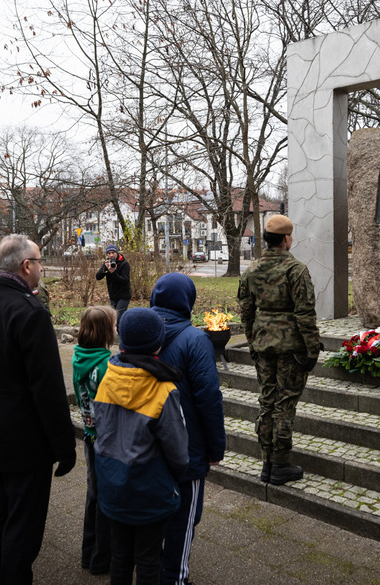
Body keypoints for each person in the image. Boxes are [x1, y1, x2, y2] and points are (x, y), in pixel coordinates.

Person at [0, 233, 76, 584]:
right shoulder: (31, 313)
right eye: (40, 262)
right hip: (25, 444)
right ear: (27, 266)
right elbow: (48, 391)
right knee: (22, 529)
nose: (41, 268)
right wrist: (65, 447)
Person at [93, 308, 188, 585]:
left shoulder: (107, 377)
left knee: (120, 556)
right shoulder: (164, 389)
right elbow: (178, 451)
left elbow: (102, 429)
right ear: (158, 344)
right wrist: (174, 477)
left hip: (112, 484)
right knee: (148, 559)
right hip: (150, 489)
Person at [150, 273, 226, 585]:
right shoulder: (195, 340)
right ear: (187, 301)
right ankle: (175, 578)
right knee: (185, 518)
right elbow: (209, 397)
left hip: (149, 443)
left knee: (155, 514)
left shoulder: (141, 333)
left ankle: (155, 569)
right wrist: (215, 448)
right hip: (187, 447)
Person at [237, 214, 321, 486]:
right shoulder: (295, 270)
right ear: (286, 239)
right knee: (284, 406)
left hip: (263, 346)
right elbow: (305, 314)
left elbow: (246, 312)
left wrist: (252, 342)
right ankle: (280, 465)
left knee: (267, 402)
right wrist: (312, 350)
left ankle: (267, 463)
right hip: (291, 349)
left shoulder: (252, 270)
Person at [71, 305, 117, 576]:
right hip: (105, 438)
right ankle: (101, 558)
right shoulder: (106, 365)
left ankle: (87, 553)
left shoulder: (79, 356)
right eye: (113, 325)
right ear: (105, 332)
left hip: (89, 434)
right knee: (104, 497)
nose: (116, 329)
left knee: (93, 492)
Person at [96, 243, 131, 325]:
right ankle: (117, 332)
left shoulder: (124, 264)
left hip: (123, 295)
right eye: (109, 253)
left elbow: (125, 281)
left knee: (118, 318)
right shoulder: (107, 263)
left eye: (113, 253)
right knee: (113, 319)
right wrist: (105, 268)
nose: (111, 255)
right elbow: (98, 277)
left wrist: (113, 272)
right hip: (113, 296)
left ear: (117, 253)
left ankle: (122, 332)